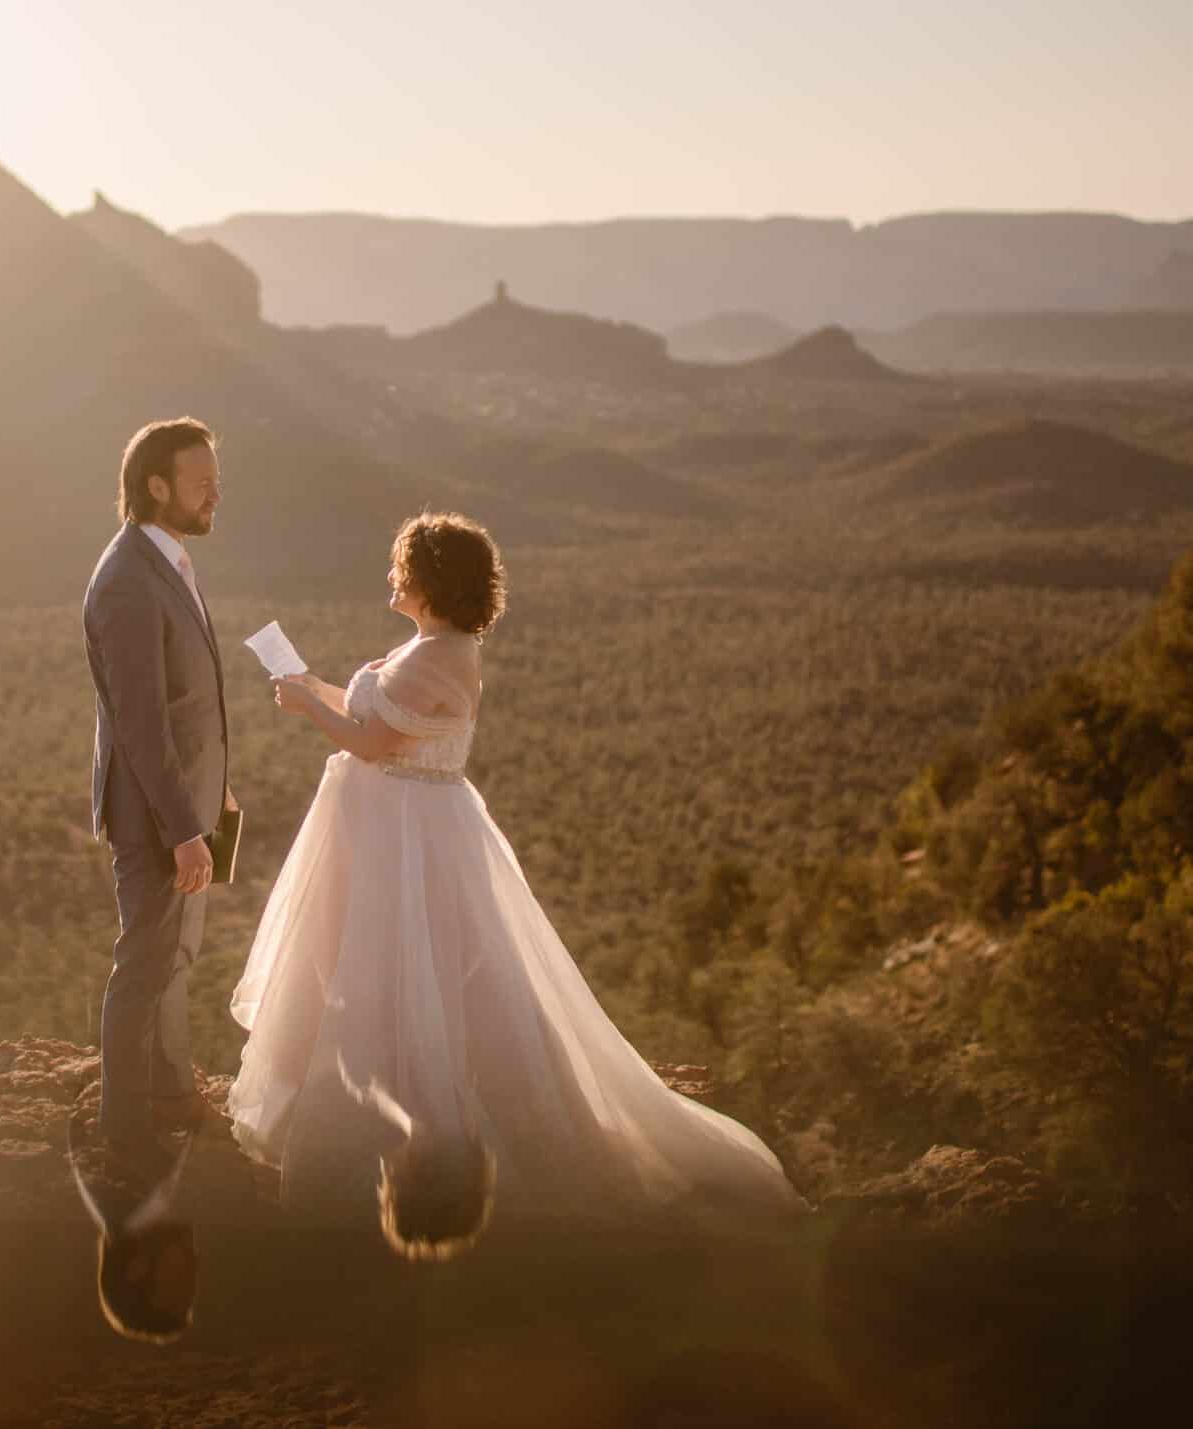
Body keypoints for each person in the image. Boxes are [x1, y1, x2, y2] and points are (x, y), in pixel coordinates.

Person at [228, 512, 804, 1218]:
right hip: (390, 829)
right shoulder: (434, 646)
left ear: (428, 578)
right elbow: (377, 718)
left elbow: (372, 742)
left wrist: (304, 708)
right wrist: (312, 683)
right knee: (373, 969)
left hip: (408, 839)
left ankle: (417, 1145)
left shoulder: (440, 654)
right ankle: (396, 1125)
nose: (389, 576)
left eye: (398, 566)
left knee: (406, 973)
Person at [82, 418, 233, 1176]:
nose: (216, 491)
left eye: (216, 476)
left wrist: (217, 789)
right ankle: (125, 1129)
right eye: (201, 479)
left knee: (177, 951)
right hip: (154, 818)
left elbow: (187, 699)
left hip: (187, 805)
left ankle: (172, 1092)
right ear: (156, 486)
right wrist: (181, 827)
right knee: (144, 962)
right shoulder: (126, 582)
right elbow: (141, 723)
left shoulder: (166, 561)